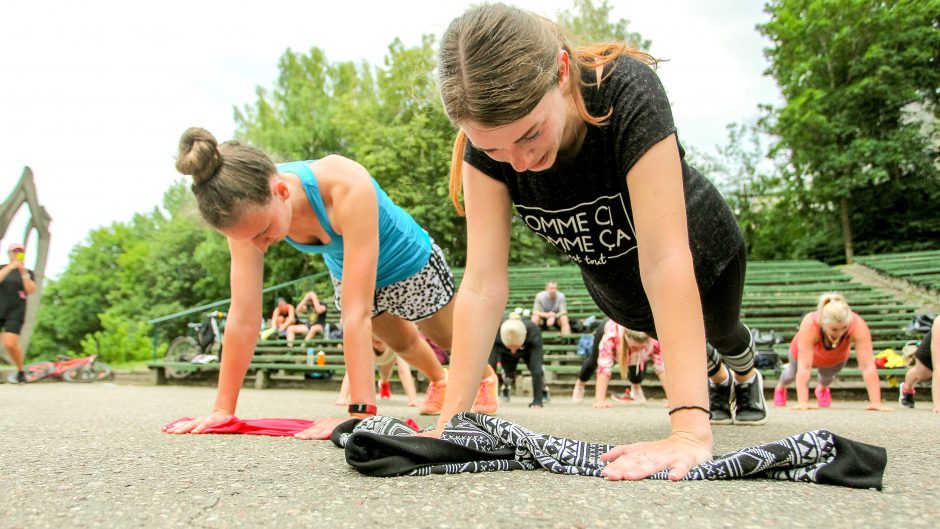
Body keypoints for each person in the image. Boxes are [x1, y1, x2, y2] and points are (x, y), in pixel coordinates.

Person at [429, 3, 770, 481]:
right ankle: (712, 374)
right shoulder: (488, 148)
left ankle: (746, 371)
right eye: (495, 150)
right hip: (617, 289)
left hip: (703, 255)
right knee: (675, 337)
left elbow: (666, 258)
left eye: (530, 134)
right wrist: (450, 425)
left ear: (562, 73)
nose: (520, 162)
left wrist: (690, 431)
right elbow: (483, 284)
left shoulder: (624, 89)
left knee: (723, 330)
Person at [166, 128, 497, 440]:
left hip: (406, 258)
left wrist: (360, 412)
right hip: (348, 266)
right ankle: (440, 382)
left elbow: (355, 314)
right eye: (248, 239)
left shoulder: (344, 183)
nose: (260, 246)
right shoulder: (243, 210)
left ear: (281, 191)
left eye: (262, 233)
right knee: (402, 342)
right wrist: (224, 410)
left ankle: (485, 378)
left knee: (446, 335)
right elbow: (243, 315)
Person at [774, 293, 889, 411]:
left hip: (834, 356)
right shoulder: (810, 323)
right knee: (791, 373)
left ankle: (822, 389)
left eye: (844, 328)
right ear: (823, 322)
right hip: (802, 353)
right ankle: (780, 387)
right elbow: (805, 366)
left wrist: (876, 402)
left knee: (826, 377)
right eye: (834, 329)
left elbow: (867, 365)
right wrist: (803, 402)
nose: (840, 333)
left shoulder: (857, 324)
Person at [335, 336, 421, 408]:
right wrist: (343, 397)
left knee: (385, 373)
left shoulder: (396, 342)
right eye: (377, 341)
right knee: (361, 368)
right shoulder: (364, 342)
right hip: (370, 356)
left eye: (382, 341)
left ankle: (384, 383)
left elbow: (404, 371)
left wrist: (413, 399)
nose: (380, 344)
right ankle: (383, 382)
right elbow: (352, 369)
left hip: (389, 358)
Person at [488, 313, 546, 408]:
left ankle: (543, 390)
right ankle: (505, 388)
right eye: (510, 347)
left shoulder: (533, 331)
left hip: (528, 349)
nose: (513, 351)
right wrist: (489, 397)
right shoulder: (497, 333)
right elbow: (491, 365)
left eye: (515, 347)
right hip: (505, 352)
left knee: (536, 369)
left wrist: (537, 400)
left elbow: (536, 366)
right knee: (508, 372)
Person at [0, 243, 37, 384]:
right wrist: (12, 266)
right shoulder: (3, 268)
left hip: (16, 311)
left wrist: (23, 273)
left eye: (20, 251)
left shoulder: (27, 272)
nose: (17, 253)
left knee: (10, 343)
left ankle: (21, 370)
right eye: (15, 251)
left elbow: (31, 290)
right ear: (9, 253)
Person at [614, 328, 667, 405]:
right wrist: (600, 400)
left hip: (642, 328)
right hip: (616, 329)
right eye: (634, 348)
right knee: (592, 363)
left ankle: (636, 391)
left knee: (636, 362)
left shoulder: (654, 341)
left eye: (641, 348)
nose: (637, 350)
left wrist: (671, 399)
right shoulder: (612, 336)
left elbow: (661, 367)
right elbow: (603, 365)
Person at [899, 316, 939, 411]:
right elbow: (938, 367)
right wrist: (938, 404)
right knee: (922, 373)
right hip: (931, 348)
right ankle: (906, 388)